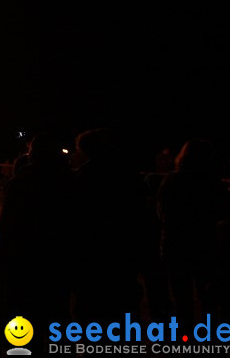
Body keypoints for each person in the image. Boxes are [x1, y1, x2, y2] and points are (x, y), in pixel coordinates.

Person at [0, 131, 75, 356]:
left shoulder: (21, 183)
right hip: (59, 264)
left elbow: (6, 228)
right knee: (59, 321)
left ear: (33, 154)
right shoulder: (70, 181)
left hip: (25, 264)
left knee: (26, 324)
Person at [70, 127, 146, 325]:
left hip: (96, 248)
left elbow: (77, 212)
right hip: (124, 245)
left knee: (94, 304)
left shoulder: (87, 174)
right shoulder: (127, 169)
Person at [157, 138, 230, 326]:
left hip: (174, 244)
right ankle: (209, 334)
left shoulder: (171, 180)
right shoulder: (211, 183)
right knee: (207, 295)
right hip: (204, 245)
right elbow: (226, 210)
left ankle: (185, 335)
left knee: (181, 296)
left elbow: (161, 212)